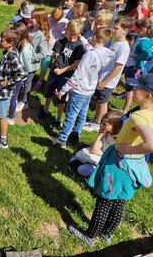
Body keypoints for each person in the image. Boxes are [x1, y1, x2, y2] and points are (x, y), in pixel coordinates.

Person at [68, 73, 153, 247]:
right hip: (133, 166)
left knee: (104, 200)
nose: (132, 89)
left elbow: (150, 144)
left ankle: (90, 236)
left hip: (118, 164)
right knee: (119, 201)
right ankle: (107, 234)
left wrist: (127, 149)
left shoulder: (138, 116)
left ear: (148, 95)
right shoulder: (149, 115)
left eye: (137, 88)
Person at [51, 28, 114, 147]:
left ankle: (62, 139)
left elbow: (78, 74)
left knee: (71, 115)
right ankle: (76, 133)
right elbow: (90, 47)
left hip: (80, 89)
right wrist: (82, 38)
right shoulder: (106, 53)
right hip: (90, 89)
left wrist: (63, 90)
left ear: (94, 37)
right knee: (83, 113)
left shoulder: (89, 55)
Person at [84, 17, 133, 132]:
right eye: (113, 28)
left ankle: (99, 123)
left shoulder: (124, 48)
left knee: (102, 102)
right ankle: (96, 119)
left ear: (125, 31)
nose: (113, 30)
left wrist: (105, 81)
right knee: (99, 100)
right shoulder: (116, 43)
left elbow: (118, 67)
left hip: (108, 81)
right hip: (102, 77)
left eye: (116, 28)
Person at [38, 20, 85, 130]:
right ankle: (45, 110)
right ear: (66, 30)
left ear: (78, 34)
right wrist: (57, 68)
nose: (71, 37)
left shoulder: (79, 46)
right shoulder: (60, 41)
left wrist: (62, 70)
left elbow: (76, 63)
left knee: (61, 97)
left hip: (66, 74)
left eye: (74, 35)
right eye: (70, 34)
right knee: (48, 92)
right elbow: (57, 56)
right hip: (55, 72)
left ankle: (58, 119)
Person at [0, 29, 27, 148]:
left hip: (6, 91)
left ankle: (3, 142)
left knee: (2, 117)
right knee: (1, 114)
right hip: (2, 90)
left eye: (2, 40)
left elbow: (22, 73)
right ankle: (0, 133)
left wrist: (8, 82)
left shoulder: (12, 56)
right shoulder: (8, 52)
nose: (0, 41)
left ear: (10, 43)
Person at [68, 111, 122, 178]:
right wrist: (100, 135)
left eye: (105, 124)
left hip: (106, 164)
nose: (102, 125)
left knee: (81, 169)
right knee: (77, 157)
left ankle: (101, 175)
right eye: (102, 123)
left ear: (115, 126)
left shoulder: (118, 141)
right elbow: (93, 150)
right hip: (98, 157)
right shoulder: (106, 134)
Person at [17, 7, 49, 112]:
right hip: (21, 60)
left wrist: (31, 57)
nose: (30, 19)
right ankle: (18, 97)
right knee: (20, 80)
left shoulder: (41, 36)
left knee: (27, 82)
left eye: (33, 18)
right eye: (31, 17)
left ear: (40, 19)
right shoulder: (29, 29)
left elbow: (43, 53)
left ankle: (24, 102)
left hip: (31, 64)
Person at [33, 8, 68, 92]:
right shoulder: (47, 17)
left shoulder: (65, 22)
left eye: (57, 20)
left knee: (45, 65)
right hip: (41, 45)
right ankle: (30, 76)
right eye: (53, 19)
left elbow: (67, 32)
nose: (54, 21)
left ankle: (39, 82)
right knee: (34, 61)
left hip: (51, 49)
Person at [123, 18, 153, 113]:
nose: (134, 30)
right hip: (134, 65)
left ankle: (125, 110)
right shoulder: (145, 39)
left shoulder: (144, 41)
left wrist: (136, 56)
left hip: (135, 67)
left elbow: (148, 55)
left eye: (136, 28)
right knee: (130, 88)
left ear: (142, 30)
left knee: (130, 87)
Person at [6, 24, 32, 125]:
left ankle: (11, 118)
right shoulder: (20, 44)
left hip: (18, 76)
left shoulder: (25, 49)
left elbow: (26, 67)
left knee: (14, 96)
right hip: (14, 74)